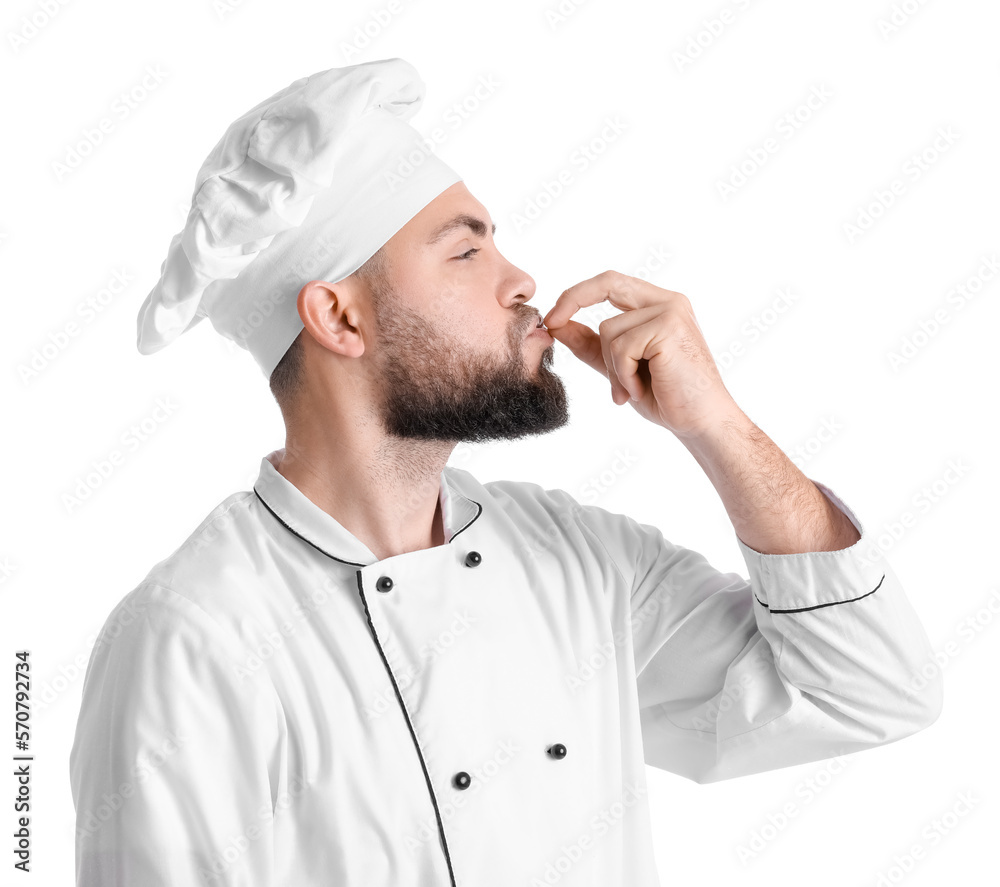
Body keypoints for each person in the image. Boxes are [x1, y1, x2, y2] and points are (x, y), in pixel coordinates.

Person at [69, 58, 943, 887]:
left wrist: (715, 423)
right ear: (338, 316)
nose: (521, 278)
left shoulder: (577, 560)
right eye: (466, 251)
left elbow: (872, 688)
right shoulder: (194, 637)